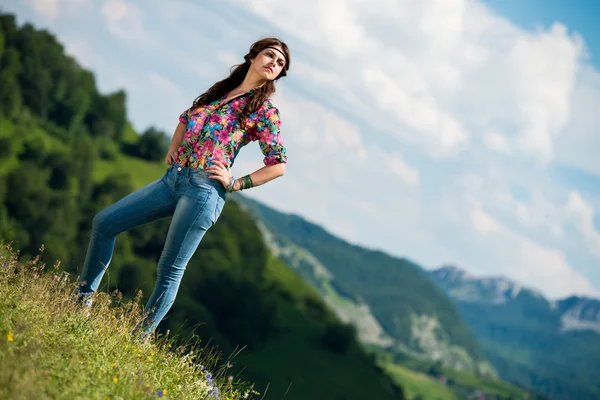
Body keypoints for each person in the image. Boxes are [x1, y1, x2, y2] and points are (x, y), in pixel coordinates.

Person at [73, 37, 290, 340]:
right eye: (270, 56)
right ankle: (79, 304)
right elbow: (186, 119)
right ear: (253, 56)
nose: (274, 64)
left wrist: (237, 182)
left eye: (280, 64)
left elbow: (278, 165)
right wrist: (174, 147)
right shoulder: (220, 92)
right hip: (172, 180)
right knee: (105, 223)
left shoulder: (264, 111)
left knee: (169, 269)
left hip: (204, 192)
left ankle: (140, 339)